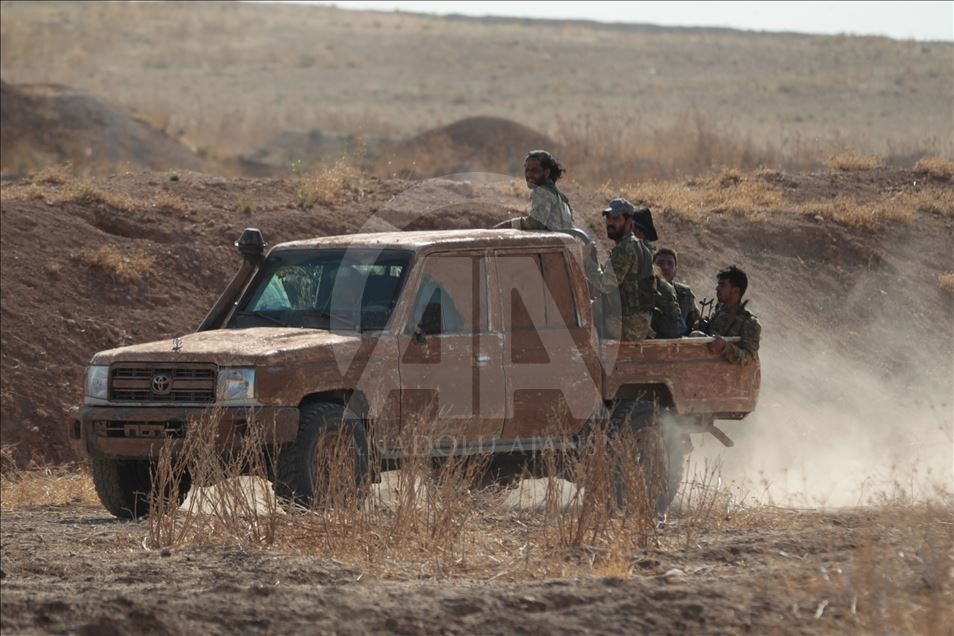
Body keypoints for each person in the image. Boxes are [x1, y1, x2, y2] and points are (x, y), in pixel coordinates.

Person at [584, 198, 655, 341]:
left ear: (629, 222)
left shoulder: (626, 248)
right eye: (608, 218)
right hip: (638, 322)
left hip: (627, 325)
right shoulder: (637, 245)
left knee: (581, 324)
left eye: (616, 219)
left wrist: (586, 261)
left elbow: (605, 284)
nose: (610, 223)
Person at [494, 150, 574, 231]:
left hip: (555, 242)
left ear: (546, 173)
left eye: (534, 170)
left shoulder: (542, 192)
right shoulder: (559, 195)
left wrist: (507, 225)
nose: (529, 174)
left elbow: (536, 222)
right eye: (527, 170)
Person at [703, 265, 761, 365]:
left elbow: (749, 358)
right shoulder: (719, 311)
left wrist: (725, 347)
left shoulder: (749, 322)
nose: (717, 288)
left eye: (722, 285)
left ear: (735, 291)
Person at [654, 247, 701, 334]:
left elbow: (696, 322)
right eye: (660, 263)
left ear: (675, 270)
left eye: (670, 264)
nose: (665, 267)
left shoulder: (685, 294)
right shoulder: (643, 291)